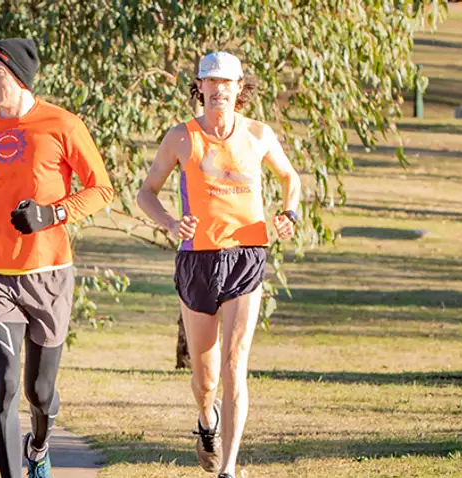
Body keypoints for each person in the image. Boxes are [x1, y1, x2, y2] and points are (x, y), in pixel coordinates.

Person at [0, 38, 116, 478]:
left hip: (49, 276)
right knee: (4, 385)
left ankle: (39, 447)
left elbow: (101, 188)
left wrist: (52, 213)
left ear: (19, 77)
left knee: (40, 393)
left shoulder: (62, 125)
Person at [133, 51, 302, 478]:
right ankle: (207, 421)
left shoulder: (259, 135)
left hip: (247, 255)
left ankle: (228, 468)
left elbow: (290, 177)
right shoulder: (181, 138)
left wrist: (290, 213)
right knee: (205, 378)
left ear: (240, 89)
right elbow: (146, 192)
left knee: (235, 362)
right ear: (200, 88)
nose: (219, 90)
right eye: (211, 82)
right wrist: (171, 223)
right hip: (197, 260)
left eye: (227, 83)